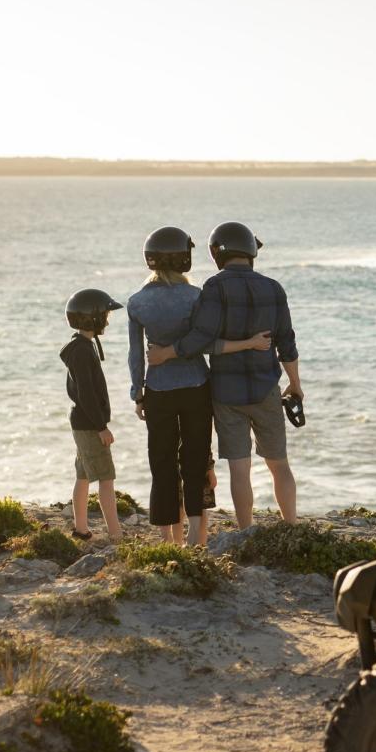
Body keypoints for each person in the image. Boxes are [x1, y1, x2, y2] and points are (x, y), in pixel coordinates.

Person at [147, 221, 302, 530]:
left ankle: (245, 532)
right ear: (249, 251)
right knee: (279, 465)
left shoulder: (214, 288)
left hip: (226, 394)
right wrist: (295, 385)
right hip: (267, 388)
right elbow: (287, 342)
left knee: (239, 469)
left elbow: (200, 338)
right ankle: (291, 529)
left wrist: (167, 353)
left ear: (218, 253)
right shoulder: (273, 287)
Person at [127, 226, 271, 545]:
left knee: (161, 462)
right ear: (184, 258)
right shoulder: (195, 296)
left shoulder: (137, 302)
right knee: (195, 460)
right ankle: (195, 532)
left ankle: (168, 537)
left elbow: (136, 353)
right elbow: (204, 342)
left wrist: (137, 392)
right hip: (196, 386)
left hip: (158, 391)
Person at [60, 287, 124, 541]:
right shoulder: (83, 351)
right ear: (94, 318)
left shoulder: (81, 346)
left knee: (83, 475)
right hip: (89, 424)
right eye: (106, 314)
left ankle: (81, 528)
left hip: (81, 422)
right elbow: (86, 393)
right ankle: (116, 534)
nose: (108, 319)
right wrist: (101, 426)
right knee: (106, 479)